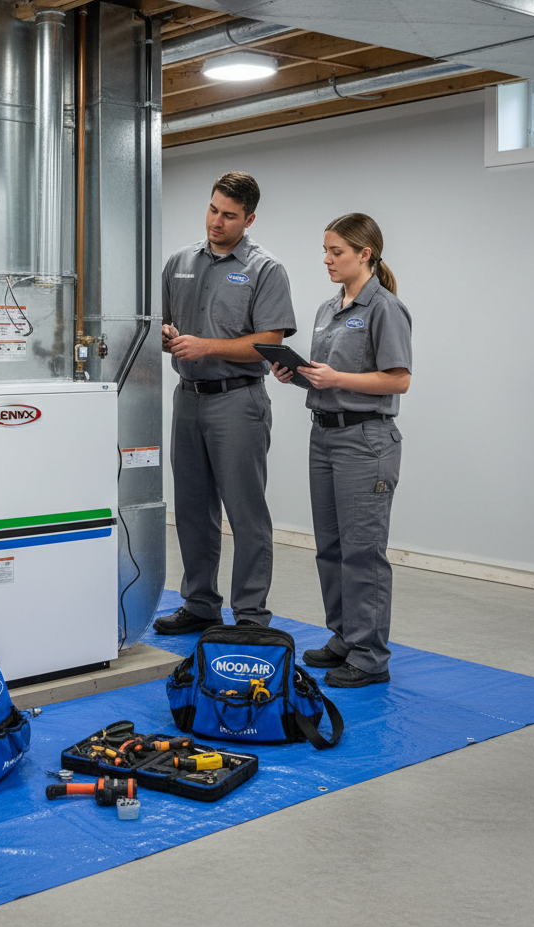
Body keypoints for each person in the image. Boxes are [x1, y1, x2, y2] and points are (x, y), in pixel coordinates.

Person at [271, 212, 411, 687]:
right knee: (330, 548)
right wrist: (295, 375)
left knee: (363, 552)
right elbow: (326, 379)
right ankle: (345, 637)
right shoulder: (328, 309)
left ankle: (370, 656)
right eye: (325, 252)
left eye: (337, 252)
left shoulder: (384, 308)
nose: (328, 260)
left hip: (365, 441)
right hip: (325, 435)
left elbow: (399, 379)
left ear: (364, 254)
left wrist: (337, 378)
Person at [155, 172, 297, 635]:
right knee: (192, 510)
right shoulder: (179, 261)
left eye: (229, 215)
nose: (217, 221)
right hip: (187, 399)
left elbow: (270, 341)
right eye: (213, 209)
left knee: (245, 512)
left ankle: (251, 615)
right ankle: (200, 604)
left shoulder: (265, 269)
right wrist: (166, 335)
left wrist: (207, 346)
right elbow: (162, 324)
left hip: (238, 401)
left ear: (248, 219)